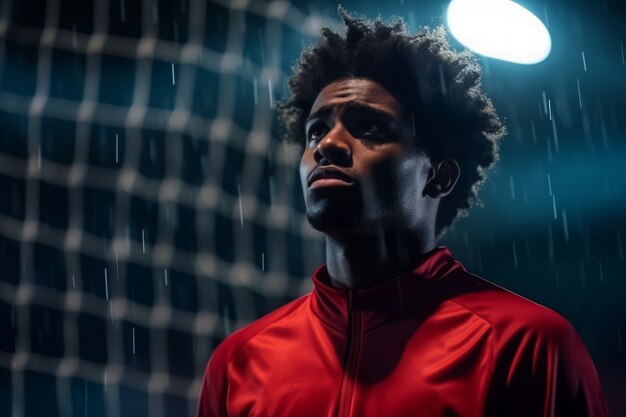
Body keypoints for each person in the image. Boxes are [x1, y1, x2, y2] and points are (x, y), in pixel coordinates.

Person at [197, 10, 609, 417]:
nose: (327, 145)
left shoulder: (524, 345)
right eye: (315, 131)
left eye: (369, 128)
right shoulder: (238, 364)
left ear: (440, 177)